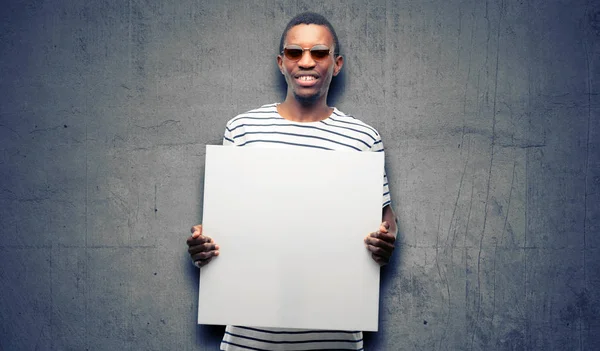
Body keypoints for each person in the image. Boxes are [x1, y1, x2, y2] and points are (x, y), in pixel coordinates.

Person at [186, 12, 397, 351]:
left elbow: (387, 222)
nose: (307, 61)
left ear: (337, 63)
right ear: (281, 62)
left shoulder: (363, 137)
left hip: (335, 339)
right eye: (295, 52)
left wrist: (385, 243)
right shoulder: (242, 130)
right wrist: (204, 244)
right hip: (249, 340)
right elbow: (226, 223)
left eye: (319, 52)